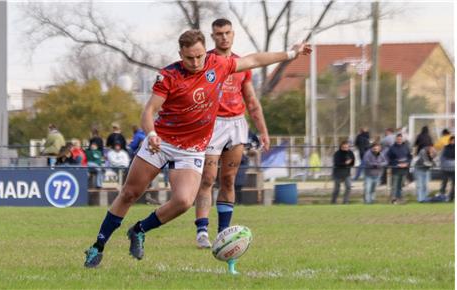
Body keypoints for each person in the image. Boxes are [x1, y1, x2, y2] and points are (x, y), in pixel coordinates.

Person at [83, 29, 311, 268]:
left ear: (205, 51)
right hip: (161, 141)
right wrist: (150, 134)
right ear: (180, 53)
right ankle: (97, 247)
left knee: (183, 201)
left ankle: (139, 230)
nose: (195, 62)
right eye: (189, 57)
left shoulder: (218, 64)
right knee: (129, 193)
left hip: (191, 149)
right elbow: (148, 111)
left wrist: (290, 53)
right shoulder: (168, 76)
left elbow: (253, 60)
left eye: (199, 56)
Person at [193, 18, 270, 248]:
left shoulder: (241, 64)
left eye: (227, 33)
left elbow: (252, 100)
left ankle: (223, 233)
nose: (223, 37)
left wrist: (263, 131)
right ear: (213, 36)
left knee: (228, 180)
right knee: (207, 178)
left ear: (233, 34)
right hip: (212, 124)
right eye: (219, 33)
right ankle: (202, 231)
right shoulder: (204, 62)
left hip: (236, 124)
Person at [387, 134, 412, 204]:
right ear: (396, 139)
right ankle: (393, 199)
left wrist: (407, 163)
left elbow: (410, 157)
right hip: (395, 170)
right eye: (398, 139)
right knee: (394, 185)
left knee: (401, 186)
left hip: (404, 170)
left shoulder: (406, 147)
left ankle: (400, 198)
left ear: (402, 139)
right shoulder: (392, 148)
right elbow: (388, 159)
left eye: (400, 139)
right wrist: (397, 164)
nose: (399, 140)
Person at [439, 136, 454, 202]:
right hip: (445, 169)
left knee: (454, 184)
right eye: (452, 140)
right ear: (450, 141)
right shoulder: (446, 148)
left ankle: (451, 197)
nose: (453, 142)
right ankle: (442, 196)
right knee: (444, 183)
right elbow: (442, 158)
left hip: (454, 169)